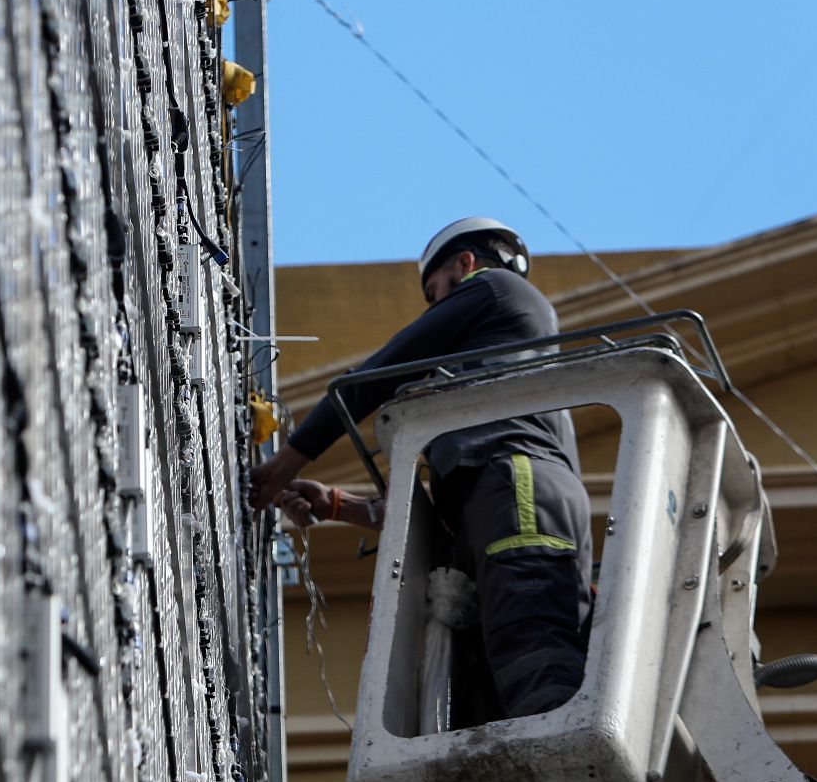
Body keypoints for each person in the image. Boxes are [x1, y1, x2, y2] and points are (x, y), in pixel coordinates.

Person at [249, 217, 594, 720]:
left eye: (436, 296)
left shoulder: (496, 288)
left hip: (520, 496)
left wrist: (280, 466)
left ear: (465, 264)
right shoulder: (502, 395)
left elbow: (379, 374)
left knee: (536, 674)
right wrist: (340, 505)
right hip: (518, 506)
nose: (439, 310)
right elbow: (446, 535)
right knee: (494, 700)